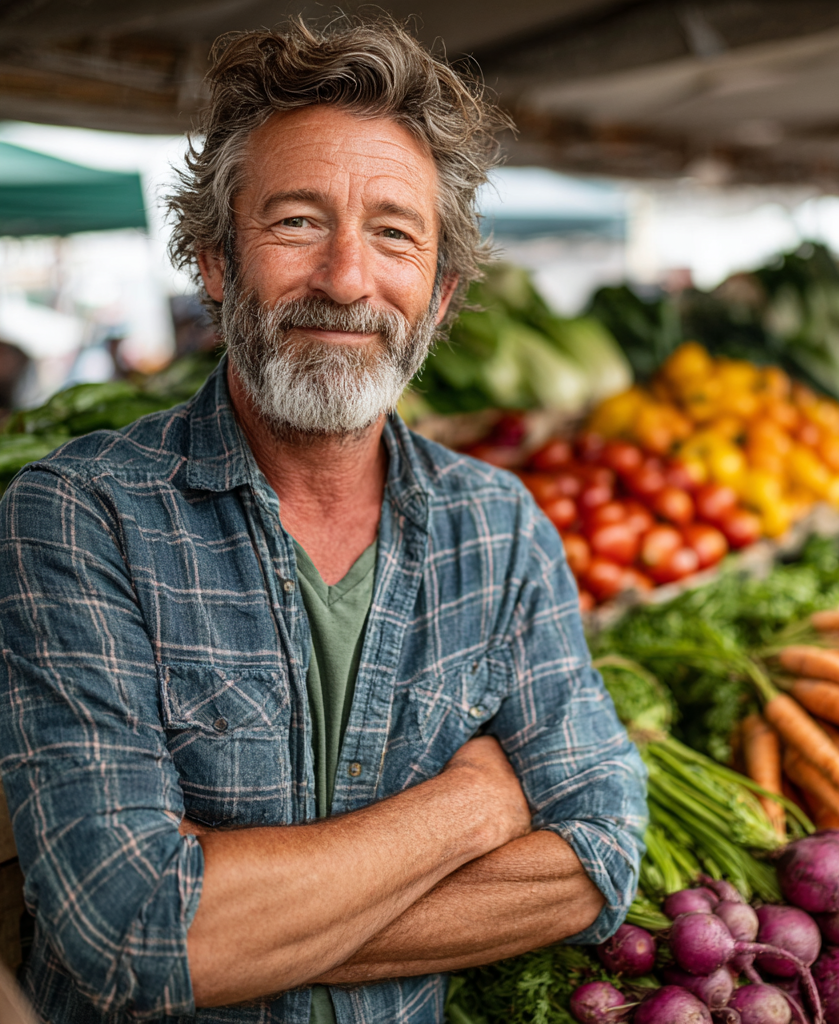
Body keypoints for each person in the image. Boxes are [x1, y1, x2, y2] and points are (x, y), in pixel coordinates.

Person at [0, 16, 647, 1024]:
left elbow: (598, 855)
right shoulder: (81, 518)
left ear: (438, 295)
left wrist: (242, 930)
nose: (346, 280)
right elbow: (127, 933)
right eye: (297, 222)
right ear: (215, 262)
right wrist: (471, 805)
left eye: (394, 234)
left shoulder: (497, 526)